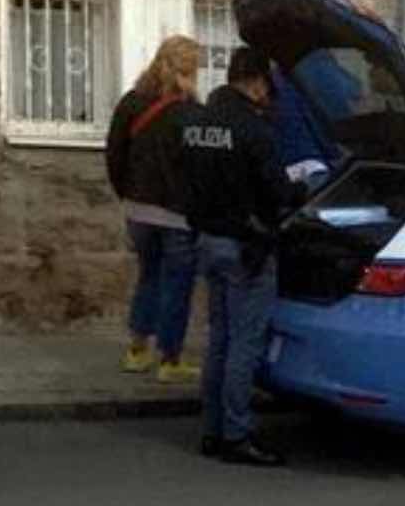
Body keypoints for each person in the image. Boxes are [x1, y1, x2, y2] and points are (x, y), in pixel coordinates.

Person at [184, 47, 305, 467]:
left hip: (207, 241)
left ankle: (213, 431)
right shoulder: (254, 129)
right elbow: (278, 191)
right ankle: (237, 435)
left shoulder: (197, 122)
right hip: (246, 248)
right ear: (256, 82)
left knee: (218, 340)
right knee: (244, 344)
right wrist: (299, 190)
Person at [105, 35, 202, 383]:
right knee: (177, 285)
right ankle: (170, 359)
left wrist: (126, 194)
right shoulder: (191, 112)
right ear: (189, 70)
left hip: (138, 210)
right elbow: (198, 168)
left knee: (149, 276)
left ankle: (137, 349)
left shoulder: (131, 102)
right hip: (177, 214)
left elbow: (114, 153)